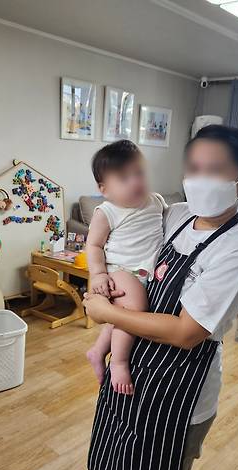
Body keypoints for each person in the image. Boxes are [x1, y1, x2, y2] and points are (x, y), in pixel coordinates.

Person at [84, 125, 238, 470]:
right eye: (193, 168)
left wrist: (106, 314)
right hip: (134, 367)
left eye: (214, 170)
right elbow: (122, 248)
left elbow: (186, 333)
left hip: (178, 392)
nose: (200, 179)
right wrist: (97, 279)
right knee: (109, 465)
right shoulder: (177, 214)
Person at [85, 140, 166, 395]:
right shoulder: (107, 211)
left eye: (139, 173)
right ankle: (119, 361)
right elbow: (94, 245)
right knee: (134, 308)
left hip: (145, 270)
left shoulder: (156, 201)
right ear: (104, 189)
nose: (135, 182)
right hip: (122, 270)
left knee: (119, 316)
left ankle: (98, 350)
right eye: (123, 178)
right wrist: (97, 274)